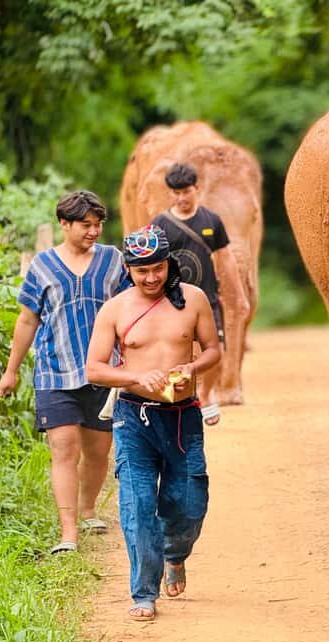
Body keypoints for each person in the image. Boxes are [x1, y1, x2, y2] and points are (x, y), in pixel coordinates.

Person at [86, 225, 220, 621]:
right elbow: (94, 368)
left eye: (157, 268)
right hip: (134, 417)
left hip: (183, 417)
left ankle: (175, 555)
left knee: (190, 504)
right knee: (138, 504)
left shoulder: (192, 300)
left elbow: (213, 350)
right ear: (128, 268)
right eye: (141, 270)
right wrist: (134, 377)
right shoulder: (115, 309)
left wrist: (192, 366)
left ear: (168, 265)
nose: (150, 277)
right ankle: (143, 591)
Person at [0, 190, 129, 554]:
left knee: (99, 450)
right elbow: (27, 320)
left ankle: (88, 508)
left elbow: (130, 309)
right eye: (85, 225)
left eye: (98, 224)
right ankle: (68, 532)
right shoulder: (42, 266)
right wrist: (11, 371)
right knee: (64, 450)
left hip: (104, 373)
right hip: (55, 373)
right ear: (64, 224)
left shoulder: (112, 260)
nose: (94, 231)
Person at [149, 162, 249, 426]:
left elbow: (225, 259)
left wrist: (239, 295)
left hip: (206, 297)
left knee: (216, 349)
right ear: (170, 193)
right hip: (171, 298)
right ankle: (180, 401)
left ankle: (205, 394)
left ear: (197, 189)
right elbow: (149, 264)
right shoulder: (160, 225)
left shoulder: (211, 221)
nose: (182, 198)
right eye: (176, 193)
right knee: (175, 352)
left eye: (186, 191)